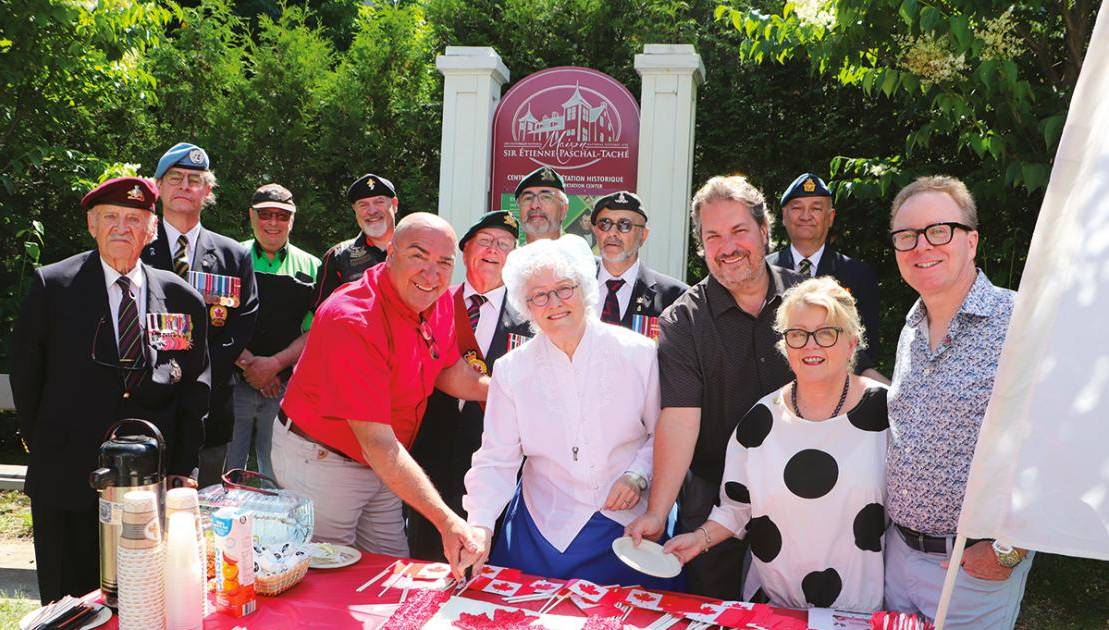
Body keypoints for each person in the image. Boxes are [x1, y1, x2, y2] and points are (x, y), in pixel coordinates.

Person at [11, 177, 211, 603]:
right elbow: (27, 378)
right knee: (69, 604)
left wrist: (185, 467)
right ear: (91, 224)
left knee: (143, 599)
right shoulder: (53, 287)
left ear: (151, 229)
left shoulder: (182, 298)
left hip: (150, 483)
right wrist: (45, 447)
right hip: (68, 477)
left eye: (134, 219)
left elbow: (196, 388)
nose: (122, 227)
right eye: (111, 218)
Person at [271, 213, 487, 574]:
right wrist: (448, 521)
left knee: (389, 572)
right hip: (326, 459)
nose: (431, 274)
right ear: (390, 254)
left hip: (386, 463)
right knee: (326, 578)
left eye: (444, 263)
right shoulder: (352, 319)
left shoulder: (440, 301)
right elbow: (377, 443)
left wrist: (503, 393)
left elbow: (447, 368)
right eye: (418, 256)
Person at [625, 175, 804, 600]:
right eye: (713, 236)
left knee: (800, 608)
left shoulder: (809, 298)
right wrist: (657, 510)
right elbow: (680, 419)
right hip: (712, 491)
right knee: (710, 607)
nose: (728, 247)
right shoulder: (683, 320)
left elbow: (848, 382)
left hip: (803, 484)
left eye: (739, 231)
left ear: (764, 231)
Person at [664, 277, 888, 612]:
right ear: (785, 345)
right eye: (797, 335)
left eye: (826, 332)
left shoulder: (887, 413)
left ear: (853, 342)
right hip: (777, 609)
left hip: (864, 612)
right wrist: (699, 540)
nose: (811, 346)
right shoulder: (759, 422)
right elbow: (738, 508)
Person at [462, 235, 670, 588]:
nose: (554, 303)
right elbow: (496, 458)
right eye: (539, 295)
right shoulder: (511, 370)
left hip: (626, 522)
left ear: (586, 289)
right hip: (542, 527)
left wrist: (638, 474)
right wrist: (480, 523)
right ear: (526, 306)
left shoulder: (638, 353)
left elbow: (664, 432)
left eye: (564, 289)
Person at [883, 176, 1032, 628]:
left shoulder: (1018, 323)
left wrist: (1009, 551)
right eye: (906, 236)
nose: (921, 246)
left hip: (971, 569)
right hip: (897, 557)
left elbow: (1056, 445)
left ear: (972, 241)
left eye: (938, 230)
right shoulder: (911, 327)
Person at [408, 211, 532, 561]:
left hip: (497, 451)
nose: (494, 249)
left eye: (504, 244)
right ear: (464, 252)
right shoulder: (431, 305)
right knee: (426, 545)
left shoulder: (533, 318)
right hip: (432, 446)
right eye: (485, 241)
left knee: (490, 546)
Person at [143, 142, 259, 488]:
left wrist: (201, 372)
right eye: (174, 178)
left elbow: (243, 321)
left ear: (207, 191)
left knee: (202, 515)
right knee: (140, 520)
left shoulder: (233, 255)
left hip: (208, 408)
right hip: (145, 402)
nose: (184, 186)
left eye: (194, 179)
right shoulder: (135, 247)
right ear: (158, 186)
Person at [228, 184, 321, 479]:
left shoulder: (313, 266)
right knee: (227, 471)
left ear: (292, 220)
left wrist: (274, 367)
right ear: (251, 216)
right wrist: (250, 366)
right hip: (232, 382)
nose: (273, 222)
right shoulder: (230, 257)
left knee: (279, 474)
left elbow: (316, 330)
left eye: (281, 216)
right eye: (265, 214)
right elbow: (216, 320)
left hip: (285, 387)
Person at [767, 173, 886, 383]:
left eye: (816, 208)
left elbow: (865, 347)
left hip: (836, 392)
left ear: (830, 217)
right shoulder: (763, 271)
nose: (805, 216)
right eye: (797, 208)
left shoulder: (857, 274)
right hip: (773, 389)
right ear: (784, 216)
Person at [591, 191, 688, 338]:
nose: (612, 233)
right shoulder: (572, 288)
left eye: (624, 225)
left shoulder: (675, 298)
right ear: (595, 231)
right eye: (604, 224)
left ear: (643, 235)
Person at [312, 173, 398, 309]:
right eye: (363, 205)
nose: (372, 211)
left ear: (394, 204)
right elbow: (325, 312)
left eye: (379, 201)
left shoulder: (418, 250)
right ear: (355, 210)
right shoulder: (338, 257)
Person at [515, 166, 568, 243]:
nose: (534, 205)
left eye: (546, 197)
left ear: (564, 209)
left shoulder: (581, 254)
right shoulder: (511, 255)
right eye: (528, 198)